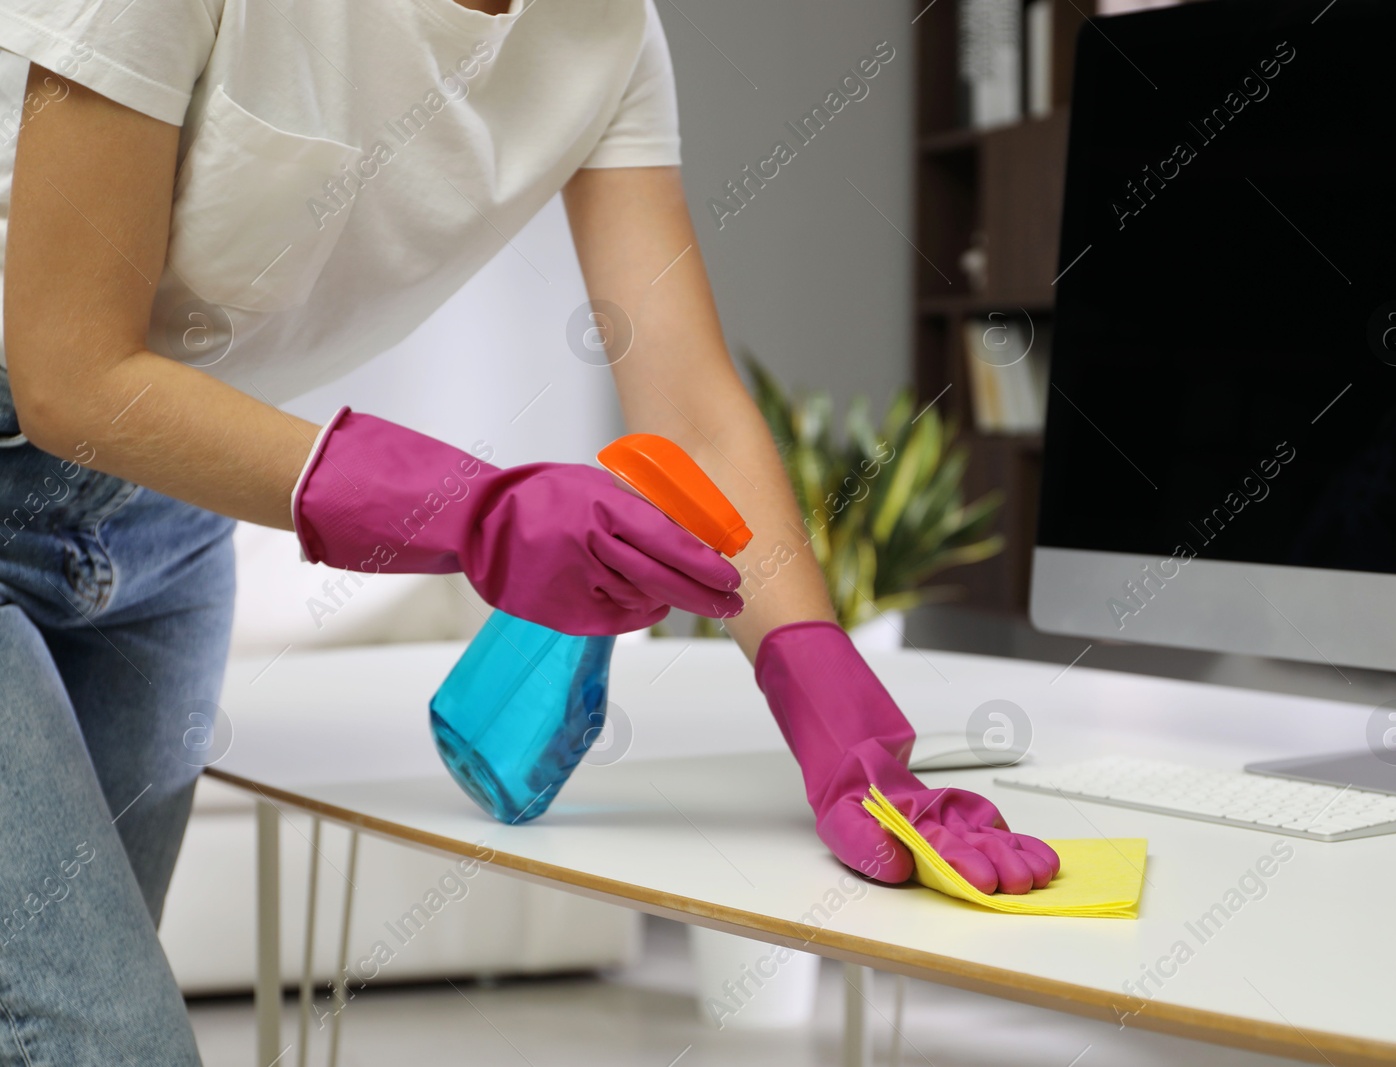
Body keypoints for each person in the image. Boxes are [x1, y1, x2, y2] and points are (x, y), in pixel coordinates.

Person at [0, 0, 1059, 1059]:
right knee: (104, 1042)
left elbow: (685, 402)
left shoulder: (611, 38)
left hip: (166, 516)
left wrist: (826, 701)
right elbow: (71, 371)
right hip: (54, 417)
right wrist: (474, 510)